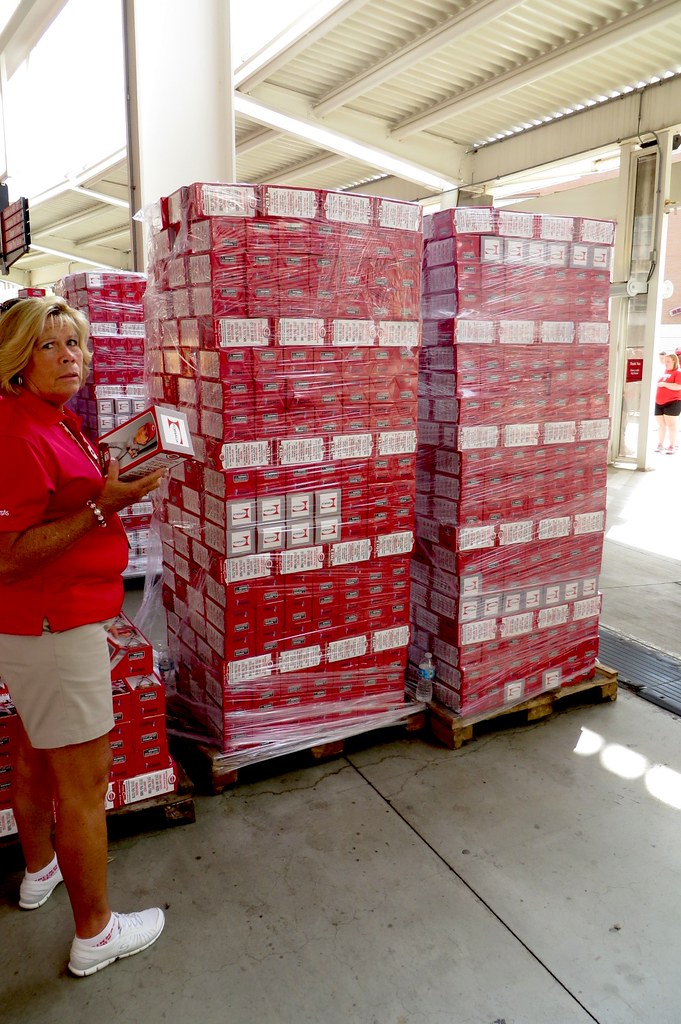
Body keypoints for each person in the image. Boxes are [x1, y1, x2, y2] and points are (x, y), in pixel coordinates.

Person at [0, 296, 167, 977]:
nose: (71, 356)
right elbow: (8, 553)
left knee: (36, 753)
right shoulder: (17, 432)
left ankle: (40, 870)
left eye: (77, 344)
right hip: (52, 627)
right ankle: (95, 932)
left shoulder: (52, 420)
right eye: (50, 346)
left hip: (44, 625)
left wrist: (108, 480)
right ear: (16, 362)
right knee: (83, 785)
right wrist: (106, 503)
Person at [654, 352, 681, 454]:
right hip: (659, 402)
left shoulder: (678, 373)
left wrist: (664, 384)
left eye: (668, 361)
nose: (666, 363)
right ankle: (660, 444)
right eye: (665, 361)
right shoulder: (663, 372)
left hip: (673, 402)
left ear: (674, 361)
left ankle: (671, 446)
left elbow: (678, 386)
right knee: (661, 425)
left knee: (671, 425)